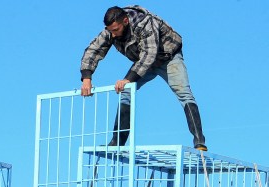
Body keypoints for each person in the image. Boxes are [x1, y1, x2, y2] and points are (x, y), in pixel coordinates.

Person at [80, 5, 207, 151]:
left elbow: (149, 54)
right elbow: (93, 50)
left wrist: (128, 79)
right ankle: (117, 143)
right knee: (125, 92)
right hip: (143, 62)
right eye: (110, 31)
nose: (113, 35)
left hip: (168, 58)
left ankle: (199, 141)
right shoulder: (111, 31)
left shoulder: (145, 23)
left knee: (183, 92)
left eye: (115, 30)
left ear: (126, 21)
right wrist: (87, 77)